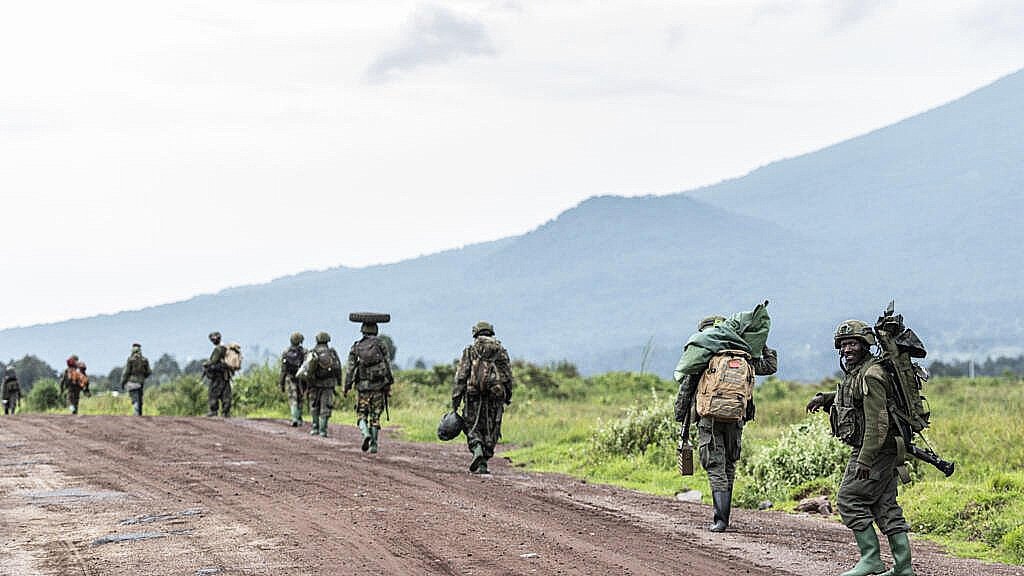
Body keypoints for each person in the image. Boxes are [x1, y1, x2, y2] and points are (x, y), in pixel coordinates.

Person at [806, 319, 914, 576]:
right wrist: (825, 399)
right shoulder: (859, 372)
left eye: (853, 343)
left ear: (866, 345)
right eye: (843, 345)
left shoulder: (871, 375)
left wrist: (865, 460)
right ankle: (903, 568)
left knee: (849, 499)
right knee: (884, 505)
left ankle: (871, 560)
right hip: (883, 450)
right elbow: (853, 398)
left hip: (874, 450)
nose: (847, 349)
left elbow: (878, 422)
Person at [673, 308, 777, 532]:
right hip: (736, 418)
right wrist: (760, 343)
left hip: (709, 420)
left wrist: (681, 417)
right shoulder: (744, 354)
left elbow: (686, 390)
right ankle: (724, 518)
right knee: (729, 463)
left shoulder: (704, 355)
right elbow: (770, 366)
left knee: (715, 465)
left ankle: (721, 520)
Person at [451, 321, 514, 474]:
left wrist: (456, 399)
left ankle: (477, 448)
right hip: (495, 395)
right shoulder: (500, 350)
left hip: (473, 395)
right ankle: (484, 461)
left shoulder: (471, 350)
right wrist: (507, 395)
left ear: (476, 333)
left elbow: (461, 376)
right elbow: (507, 375)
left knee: (471, 425)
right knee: (491, 427)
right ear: (490, 333)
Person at [344, 322, 393, 452]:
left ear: (362, 331)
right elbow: (388, 364)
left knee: (361, 414)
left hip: (362, 388)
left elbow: (350, 369)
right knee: (375, 416)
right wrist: (389, 382)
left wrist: (347, 386)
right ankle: (374, 445)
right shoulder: (381, 344)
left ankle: (366, 434)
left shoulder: (356, 346)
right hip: (378, 386)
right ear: (376, 330)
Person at [306, 331, 343, 437]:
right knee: (325, 406)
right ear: (328, 340)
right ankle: (323, 430)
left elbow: (306, 370)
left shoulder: (312, 352)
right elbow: (337, 368)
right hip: (328, 385)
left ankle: (314, 428)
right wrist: (339, 382)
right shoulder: (331, 353)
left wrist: (308, 385)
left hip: (314, 385)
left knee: (314, 406)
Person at [279, 332, 307, 427]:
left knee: (293, 399)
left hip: (289, 378)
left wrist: (281, 384)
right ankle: (299, 418)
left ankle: (294, 418)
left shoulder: (286, 352)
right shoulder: (304, 352)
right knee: (300, 398)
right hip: (300, 379)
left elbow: (283, 370)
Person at [203, 331, 232, 417]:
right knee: (226, 393)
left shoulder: (218, 349)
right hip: (226, 375)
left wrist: (206, 364)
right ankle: (226, 412)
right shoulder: (226, 348)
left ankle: (213, 411)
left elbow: (213, 361)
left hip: (218, 376)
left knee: (213, 393)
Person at [120, 343, 152, 416]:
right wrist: (143, 377)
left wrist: (122, 383)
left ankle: (136, 415)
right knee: (140, 399)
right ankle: (139, 415)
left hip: (131, 382)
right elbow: (149, 372)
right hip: (141, 382)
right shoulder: (144, 360)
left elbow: (126, 372)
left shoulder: (130, 360)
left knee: (135, 399)